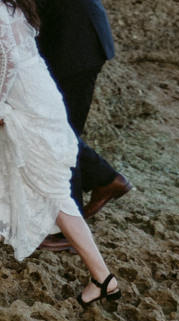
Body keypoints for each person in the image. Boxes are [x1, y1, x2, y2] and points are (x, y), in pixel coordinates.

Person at [0, 0, 123, 307]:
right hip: (31, 89)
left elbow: (11, 59)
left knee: (51, 190)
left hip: (29, 98)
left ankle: (102, 278)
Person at [34, 0, 129, 222]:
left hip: (74, 42)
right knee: (57, 129)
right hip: (71, 37)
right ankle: (102, 178)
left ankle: (69, 224)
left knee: (61, 132)